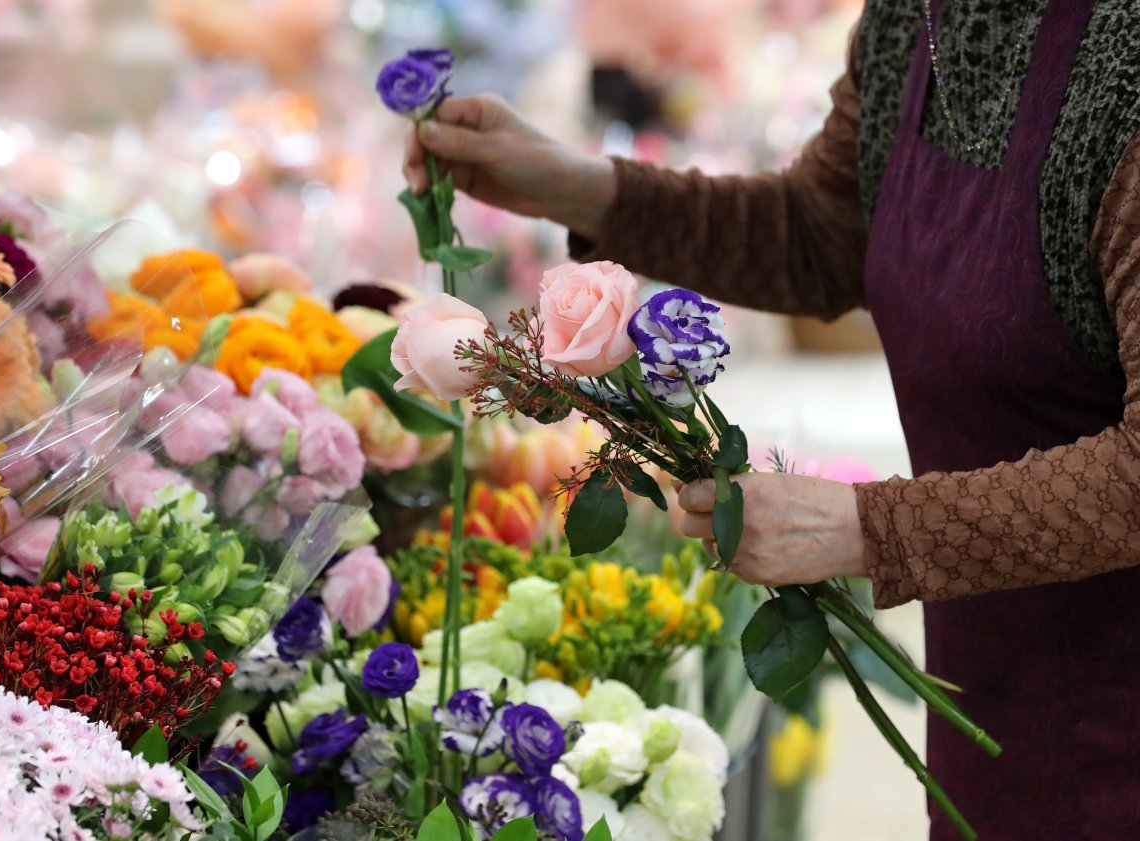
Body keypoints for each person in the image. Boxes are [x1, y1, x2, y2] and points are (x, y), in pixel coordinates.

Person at [402, 2, 1140, 838]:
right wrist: (577, 185)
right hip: (1002, 694)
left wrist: (873, 528)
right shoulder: (918, 18)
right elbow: (825, 236)